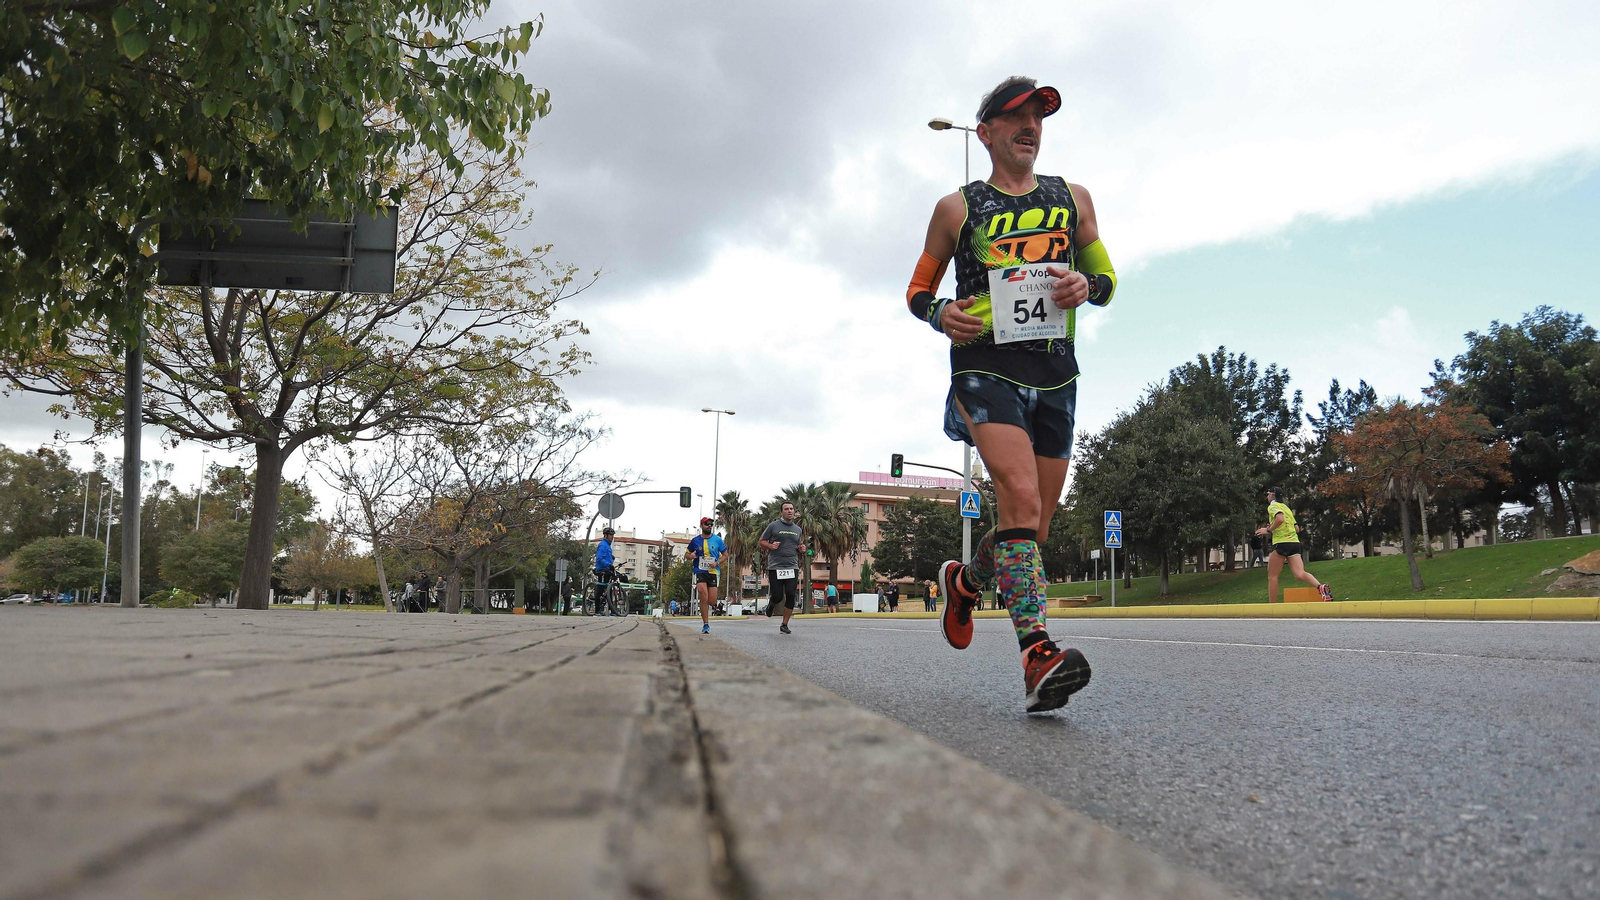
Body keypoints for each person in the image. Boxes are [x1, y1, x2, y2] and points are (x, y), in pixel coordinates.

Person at [919, 77, 1108, 713]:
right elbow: (919, 289)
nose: (1030, 126)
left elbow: (1106, 278)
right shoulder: (957, 208)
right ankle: (1038, 654)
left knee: (1033, 527)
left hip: (1055, 372)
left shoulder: (1073, 198)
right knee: (1019, 498)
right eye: (1015, 117)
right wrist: (940, 313)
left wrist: (1087, 284)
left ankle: (965, 582)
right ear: (988, 133)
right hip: (983, 367)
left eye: (1038, 117)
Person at [1255, 488, 1333, 603]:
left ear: (1272, 495)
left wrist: (1268, 529)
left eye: (1268, 494)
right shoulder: (1287, 508)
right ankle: (1320, 587)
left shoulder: (1272, 506)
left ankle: (1272, 606)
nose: (1267, 496)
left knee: (1272, 576)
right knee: (1299, 574)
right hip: (1294, 543)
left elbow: (1280, 519)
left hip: (1281, 543)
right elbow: (1296, 528)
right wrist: (1275, 527)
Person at [759, 501, 806, 634]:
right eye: (786, 509)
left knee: (791, 594)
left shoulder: (798, 529)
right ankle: (772, 604)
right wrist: (771, 546)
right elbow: (761, 541)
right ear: (782, 512)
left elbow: (798, 545)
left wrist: (801, 548)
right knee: (778, 595)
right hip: (776, 566)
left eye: (791, 509)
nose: (789, 511)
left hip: (792, 566)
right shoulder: (773, 526)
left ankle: (784, 624)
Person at [688, 516, 726, 635]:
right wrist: (691, 556)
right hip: (699, 570)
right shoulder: (695, 541)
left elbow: (725, 555)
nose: (709, 526)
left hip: (713, 572)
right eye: (706, 524)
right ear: (701, 526)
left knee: (711, 600)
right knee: (703, 594)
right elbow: (687, 554)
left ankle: (708, 607)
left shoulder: (718, 540)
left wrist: (717, 562)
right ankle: (705, 623)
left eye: (711, 524)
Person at [593, 526, 618, 616]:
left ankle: (612, 610)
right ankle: (597, 611)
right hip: (602, 569)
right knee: (600, 590)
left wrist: (611, 558)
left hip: (608, 569)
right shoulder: (603, 545)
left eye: (612, 535)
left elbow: (606, 556)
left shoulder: (607, 546)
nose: (612, 537)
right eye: (610, 535)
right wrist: (608, 564)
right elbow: (599, 558)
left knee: (609, 590)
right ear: (606, 535)